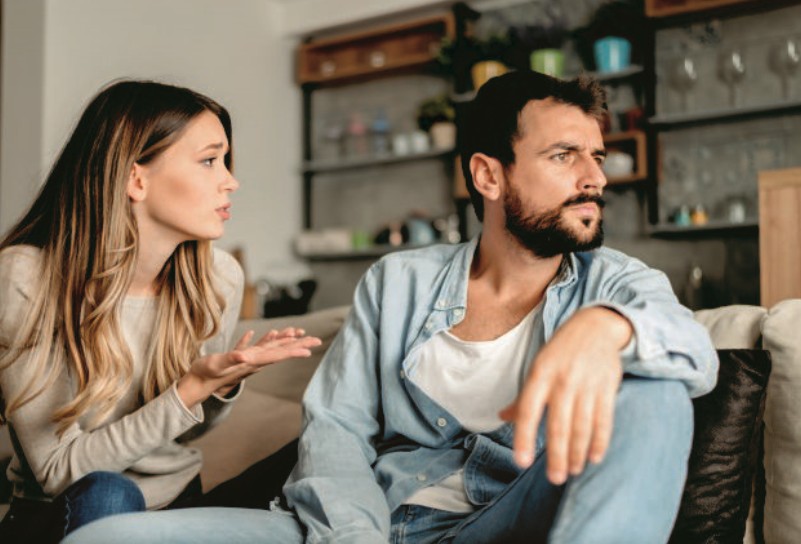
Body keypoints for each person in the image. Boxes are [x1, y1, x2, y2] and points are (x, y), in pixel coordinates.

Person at [64, 71, 718, 544]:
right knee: (102, 539)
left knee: (654, 393)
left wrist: (606, 327)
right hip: (369, 522)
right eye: (563, 156)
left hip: (505, 519)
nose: (595, 178)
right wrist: (353, 535)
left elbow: (691, 352)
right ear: (488, 176)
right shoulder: (398, 283)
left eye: (596, 157)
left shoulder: (615, 283)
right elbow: (336, 430)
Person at [0, 80, 321, 543]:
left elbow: (180, 439)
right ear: (136, 179)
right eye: (210, 160)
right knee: (111, 493)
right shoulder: (26, 279)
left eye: (226, 161)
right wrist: (188, 389)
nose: (231, 180)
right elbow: (55, 471)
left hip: (179, 506)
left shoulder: (217, 278)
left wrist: (217, 386)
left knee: (323, 448)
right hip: (69, 511)